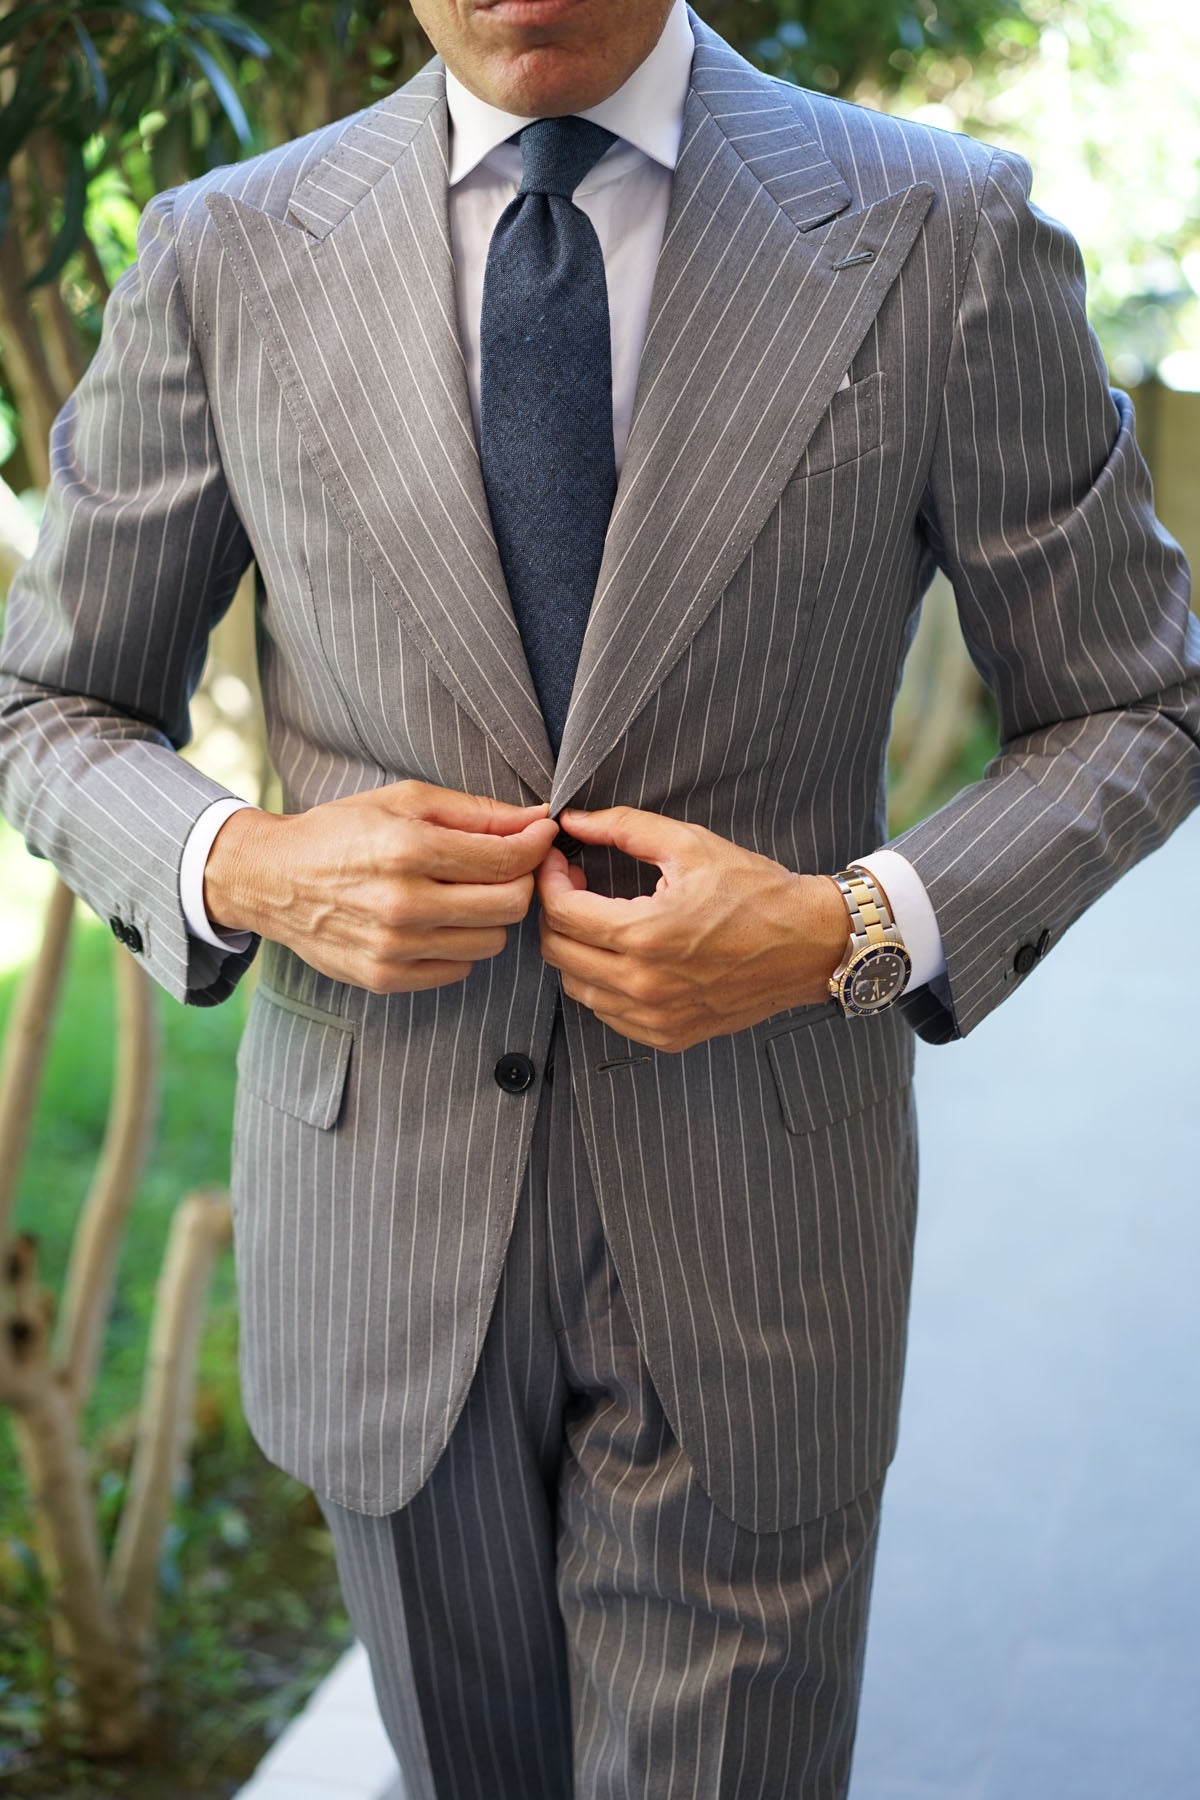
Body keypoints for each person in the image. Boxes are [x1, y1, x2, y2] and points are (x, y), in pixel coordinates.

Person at [1, 0, 1197, 1793]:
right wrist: (245, 863)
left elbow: (1136, 693)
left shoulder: (940, 228)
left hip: (758, 1214)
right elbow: (49, 700)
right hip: (382, 1219)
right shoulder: (228, 248)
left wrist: (848, 925)